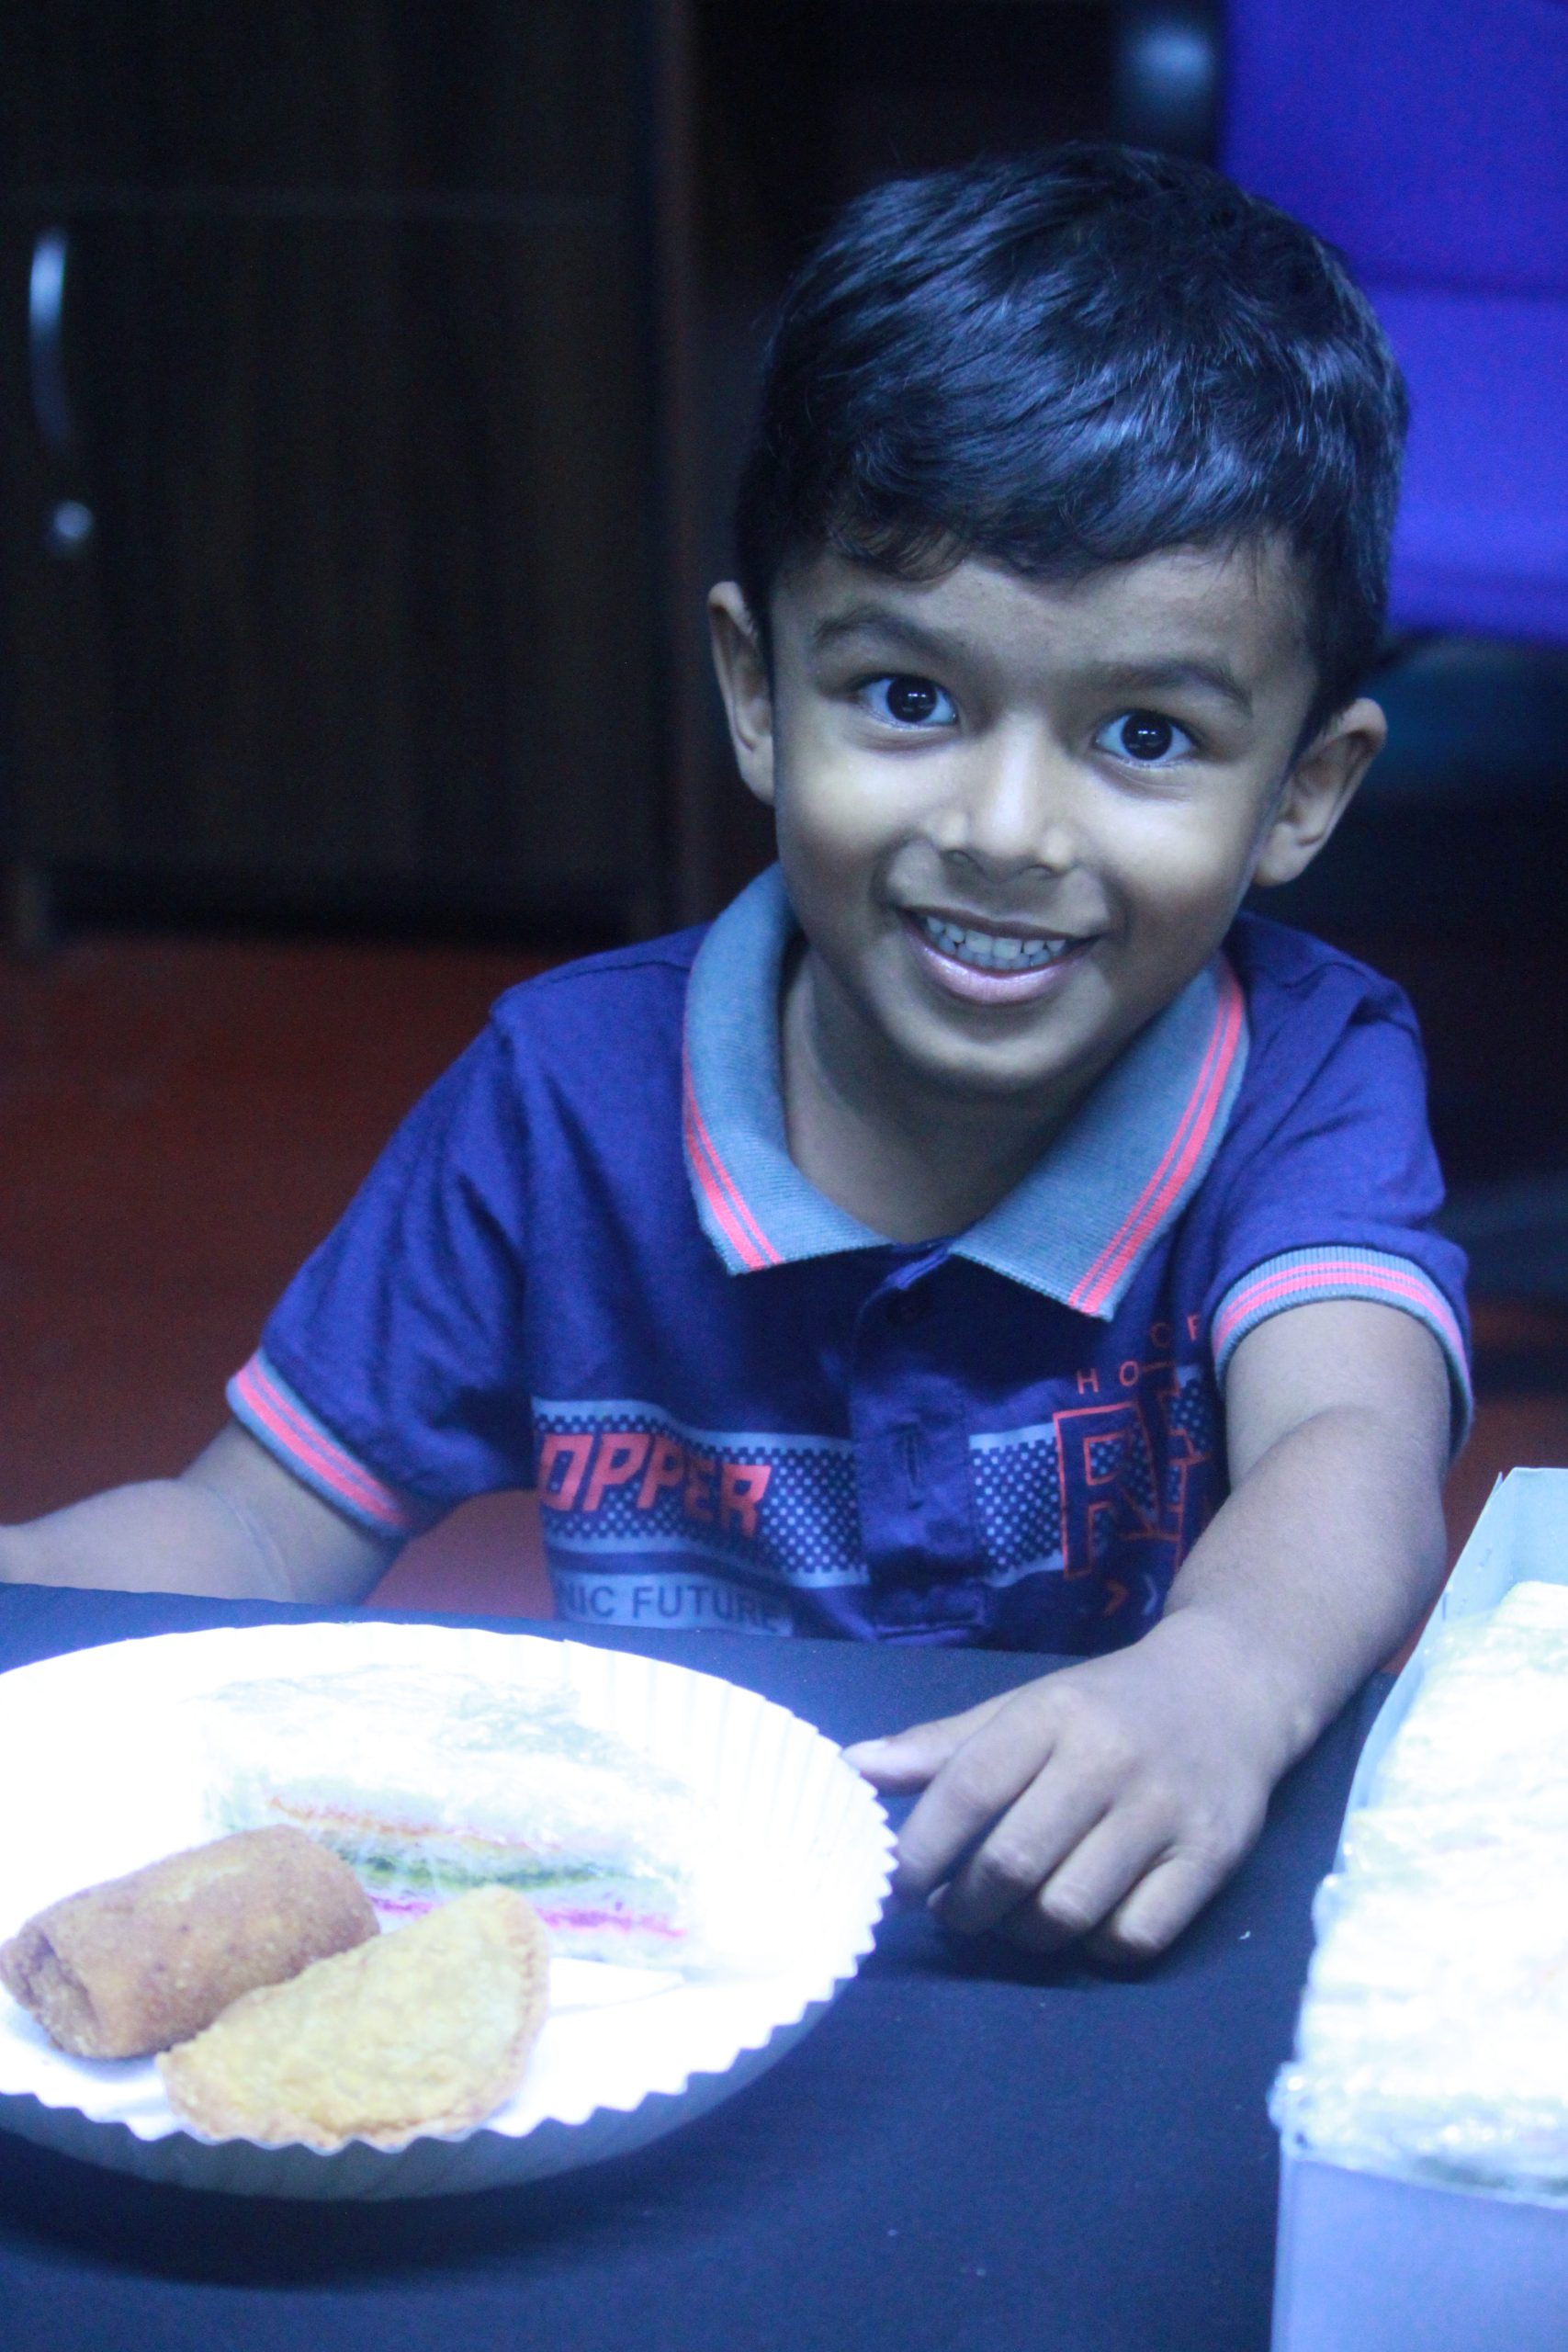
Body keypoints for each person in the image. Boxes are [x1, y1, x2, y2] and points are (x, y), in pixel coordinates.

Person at [0, 145, 1465, 1963]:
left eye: (1145, 735)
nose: (1006, 829)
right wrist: (33, 1594)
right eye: (909, 698)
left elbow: (1347, 1439)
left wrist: (1219, 1678)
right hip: (668, 1955)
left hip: (1110, 1954)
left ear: (1305, 790)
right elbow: (247, 1541)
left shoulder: (1305, 1070)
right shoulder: (560, 1098)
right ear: (759, 692)